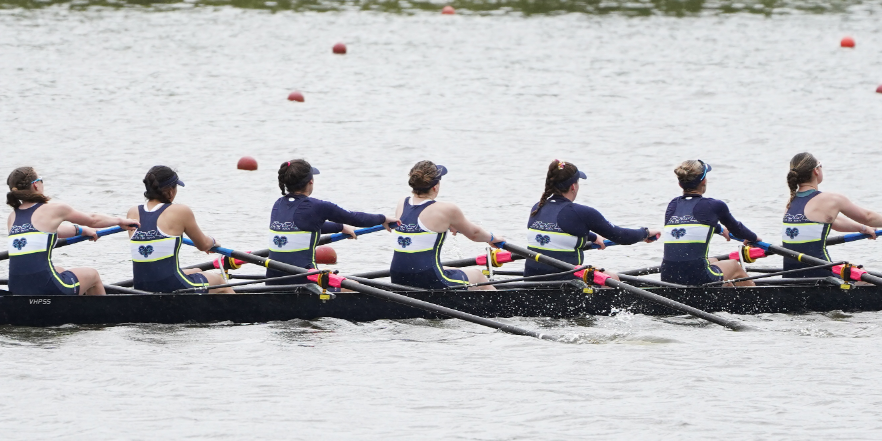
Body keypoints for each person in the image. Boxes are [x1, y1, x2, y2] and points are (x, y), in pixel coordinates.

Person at [778, 152, 882, 279]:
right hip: (821, 274)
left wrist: (862, 228)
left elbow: (834, 222)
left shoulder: (790, 203)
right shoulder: (832, 199)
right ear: (816, 171)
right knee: (866, 278)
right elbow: (867, 217)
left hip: (790, 276)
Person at [520, 160, 657, 277]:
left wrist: (592, 236)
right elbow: (622, 236)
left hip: (531, 280)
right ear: (573, 186)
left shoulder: (538, 207)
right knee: (612, 278)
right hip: (564, 284)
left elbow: (559, 230)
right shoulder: (580, 212)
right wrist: (645, 233)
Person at [2, 166, 122, 296]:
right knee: (92, 275)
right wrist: (121, 221)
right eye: (41, 180)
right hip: (48, 289)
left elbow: (47, 231)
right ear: (36, 185)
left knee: (59, 270)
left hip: (17, 289)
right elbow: (93, 220)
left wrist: (81, 230)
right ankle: (102, 315)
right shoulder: (54, 209)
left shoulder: (12, 217)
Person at [266, 158, 390, 283]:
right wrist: (383, 219)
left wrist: (340, 227)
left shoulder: (278, 205)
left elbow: (302, 226)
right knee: (356, 287)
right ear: (311, 182)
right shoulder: (317, 206)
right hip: (305, 282)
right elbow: (355, 219)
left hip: (273, 281)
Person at [386, 161, 497, 289]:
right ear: (435, 187)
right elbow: (475, 234)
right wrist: (493, 238)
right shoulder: (446, 210)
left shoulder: (402, 203)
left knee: (448, 268)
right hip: (428, 279)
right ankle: (501, 308)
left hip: (398, 276)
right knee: (478, 276)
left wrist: (448, 223)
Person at [123, 165, 233, 294]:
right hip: (173, 287)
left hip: (141, 287)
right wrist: (213, 242)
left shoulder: (133, 212)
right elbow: (203, 245)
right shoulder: (180, 211)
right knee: (219, 282)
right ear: (170, 191)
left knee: (197, 270)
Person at [660, 159, 758, 286]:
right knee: (734, 265)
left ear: (680, 184)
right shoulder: (715, 205)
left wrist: (721, 230)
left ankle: (726, 300)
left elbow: (691, 223)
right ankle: (758, 303)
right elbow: (737, 229)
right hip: (698, 277)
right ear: (704, 181)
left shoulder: (673, 205)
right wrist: (753, 238)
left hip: (668, 276)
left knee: (714, 261)